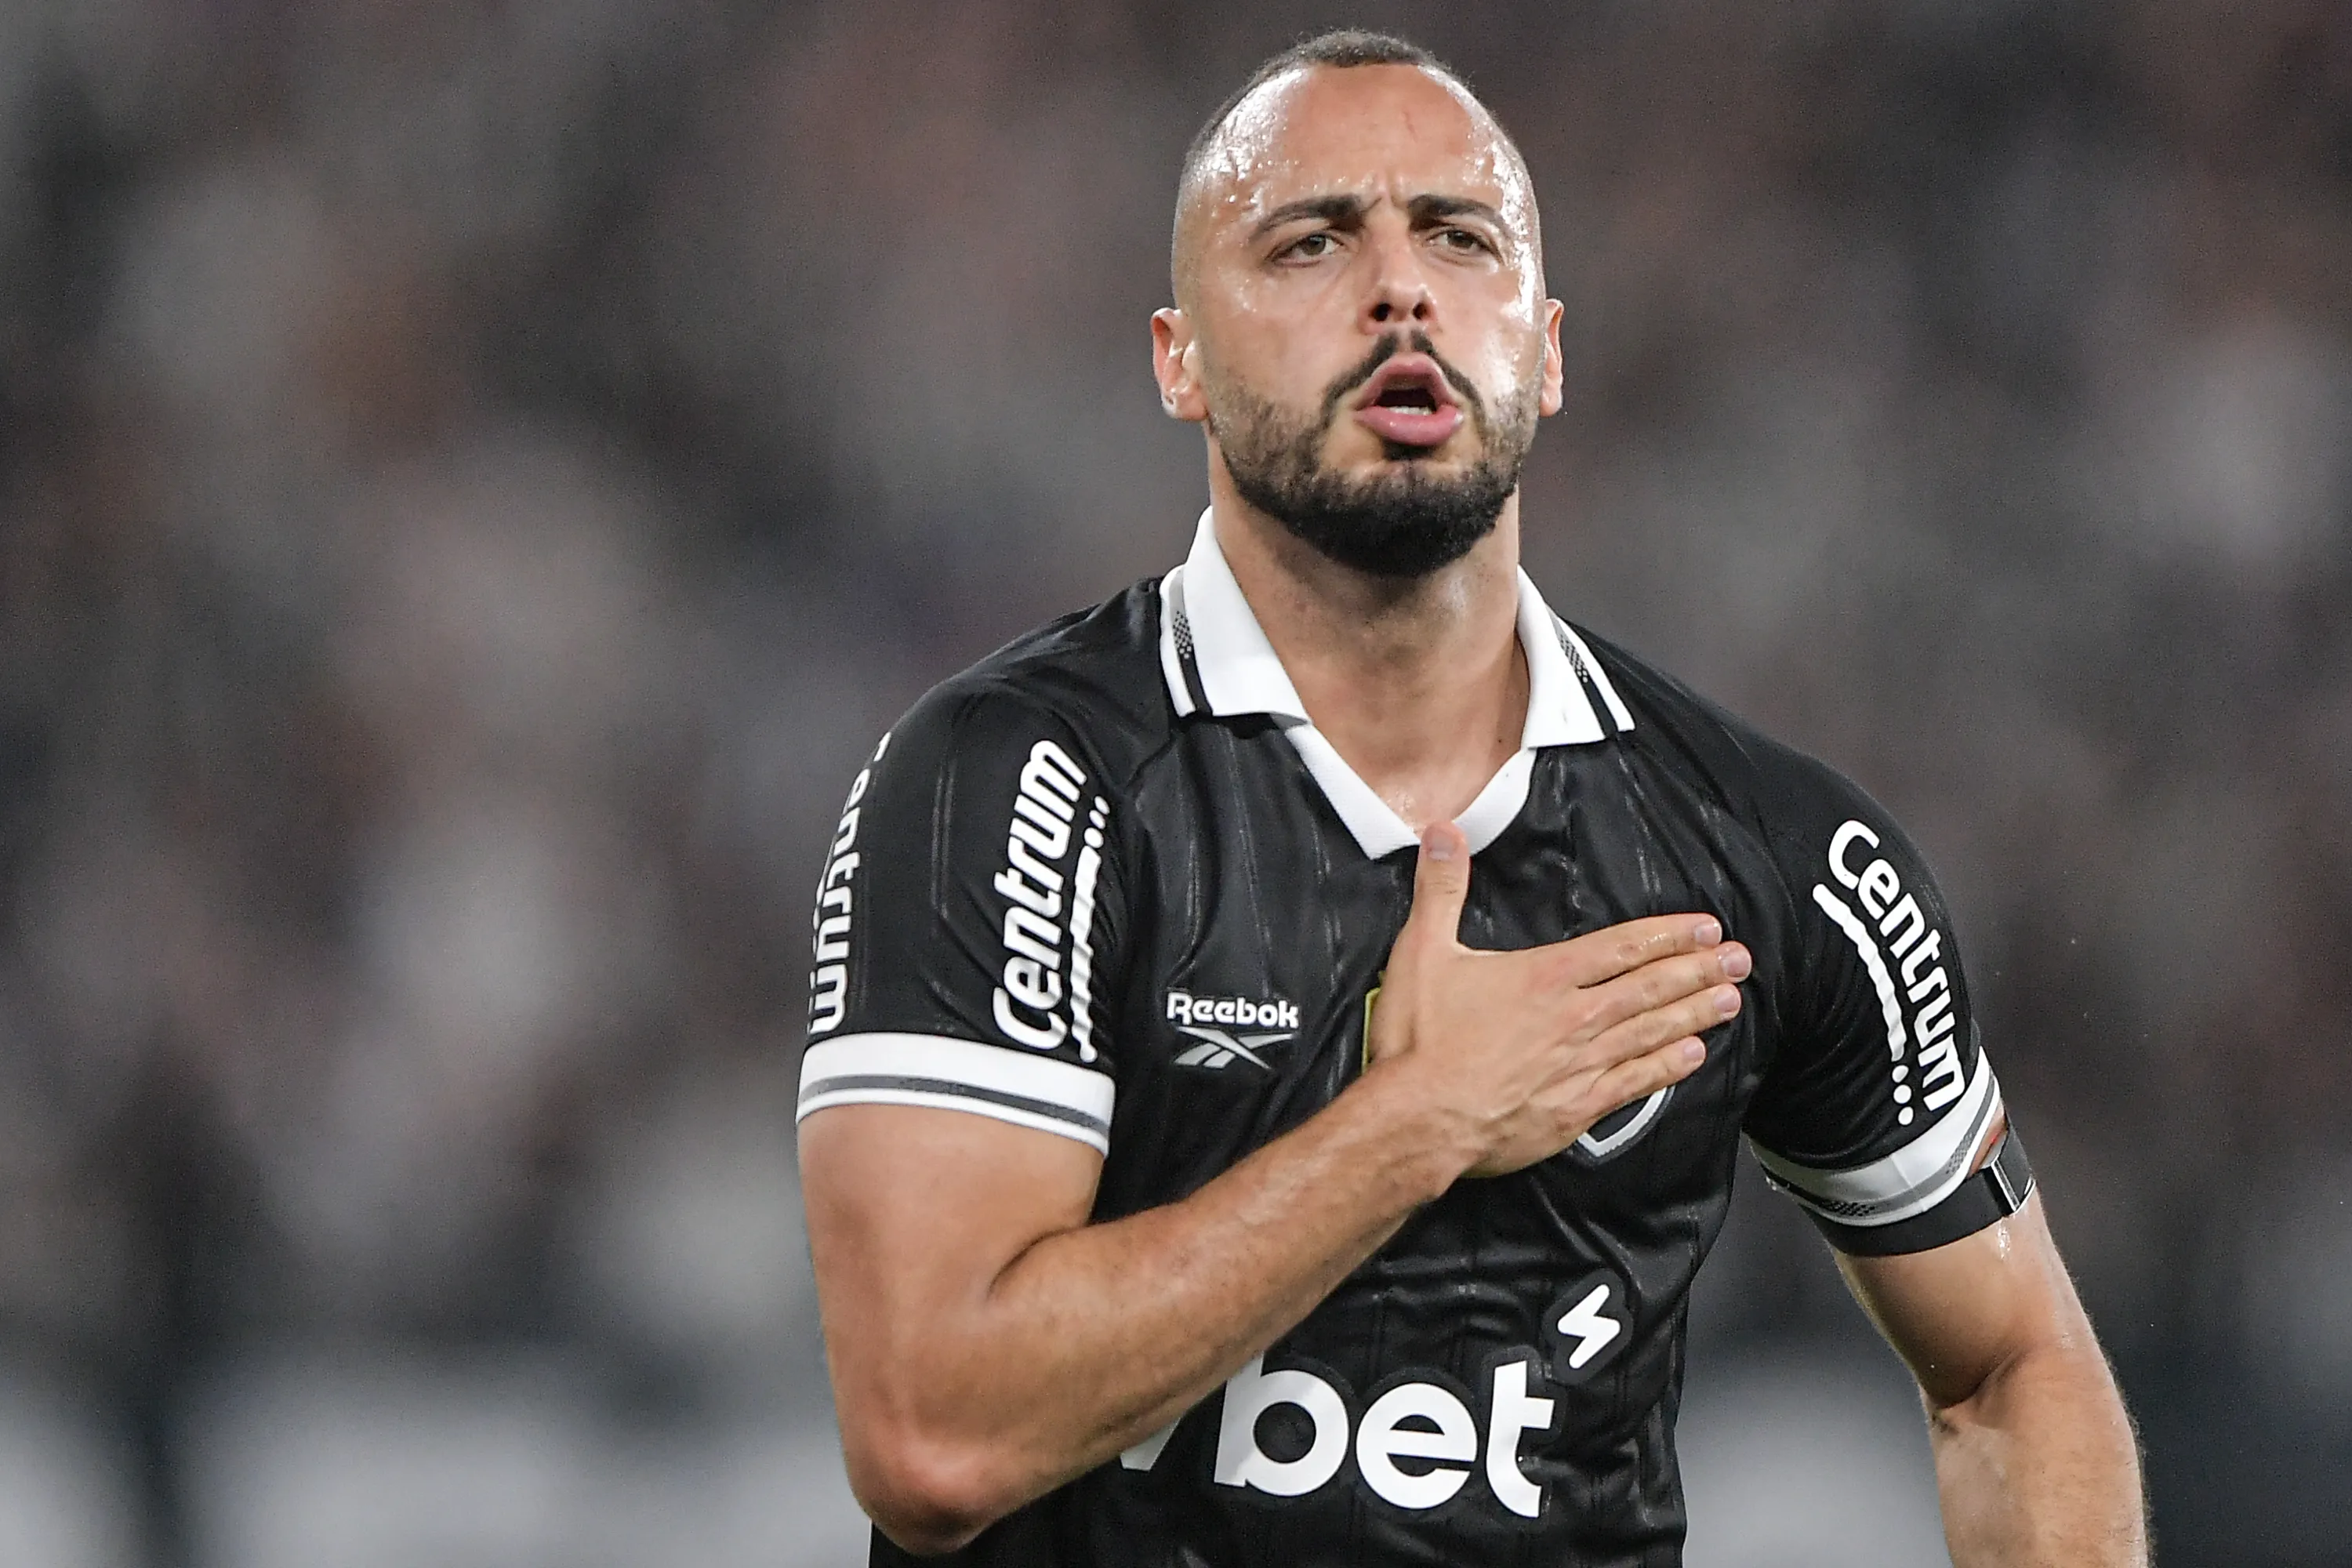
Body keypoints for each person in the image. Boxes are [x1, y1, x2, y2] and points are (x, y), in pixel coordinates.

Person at [795, 29, 2147, 1567]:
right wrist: (1415, 1126)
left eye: (1460, 236)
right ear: (1180, 359)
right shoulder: (1009, 790)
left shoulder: (1776, 854)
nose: (1400, 290)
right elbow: (930, 1435)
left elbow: (2011, 1367)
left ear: (1548, 348)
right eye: (1310, 241)